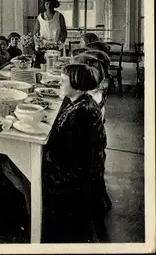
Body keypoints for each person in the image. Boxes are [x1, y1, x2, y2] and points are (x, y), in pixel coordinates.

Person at [40, 63, 106, 243]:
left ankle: (35, 216)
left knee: (15, 164)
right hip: (88, 168)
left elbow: (63, 154)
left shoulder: (80, 113)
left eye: (63, 81)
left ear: (76, 84)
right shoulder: (83, 102)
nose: (59, 83)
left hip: (72, 175)